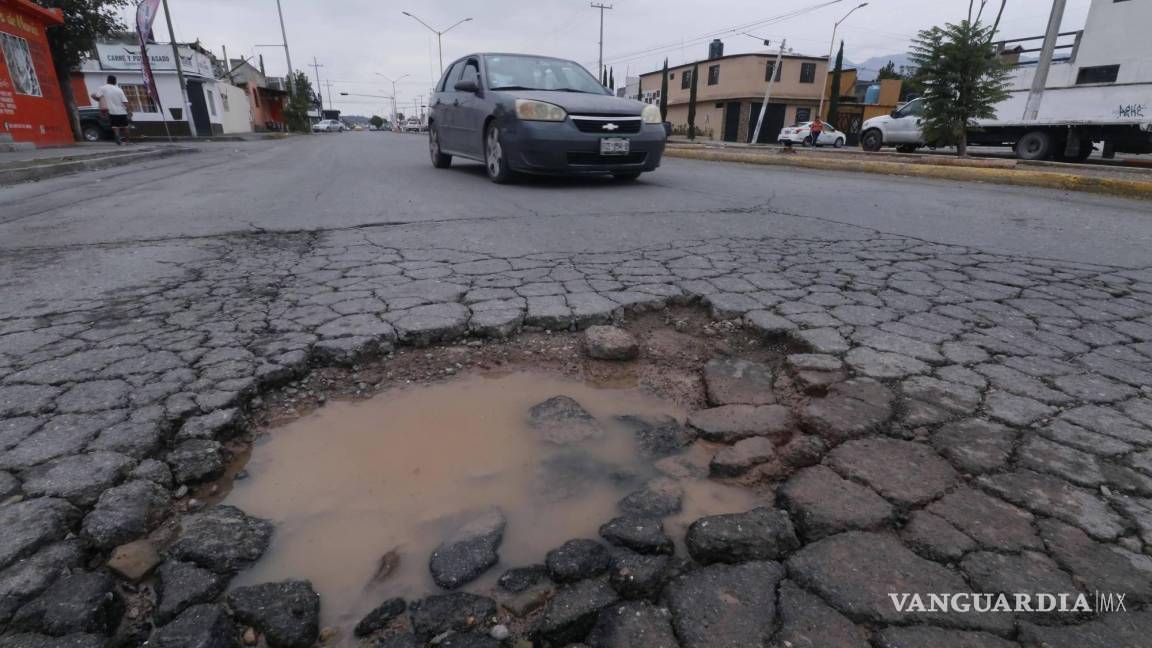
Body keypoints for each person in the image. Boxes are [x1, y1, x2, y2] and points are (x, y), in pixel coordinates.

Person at [92, 75, 132, 145]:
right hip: (122, 111)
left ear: (107, 80)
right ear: (115, 81)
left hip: (111, 111)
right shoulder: (119, 89)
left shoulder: (102, 88)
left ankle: (117, 136)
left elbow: (97, 96)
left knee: (115, 126)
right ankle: (127, 141)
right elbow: (125, 102)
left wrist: (100, 100)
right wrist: (129, 111)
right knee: (126, 126)